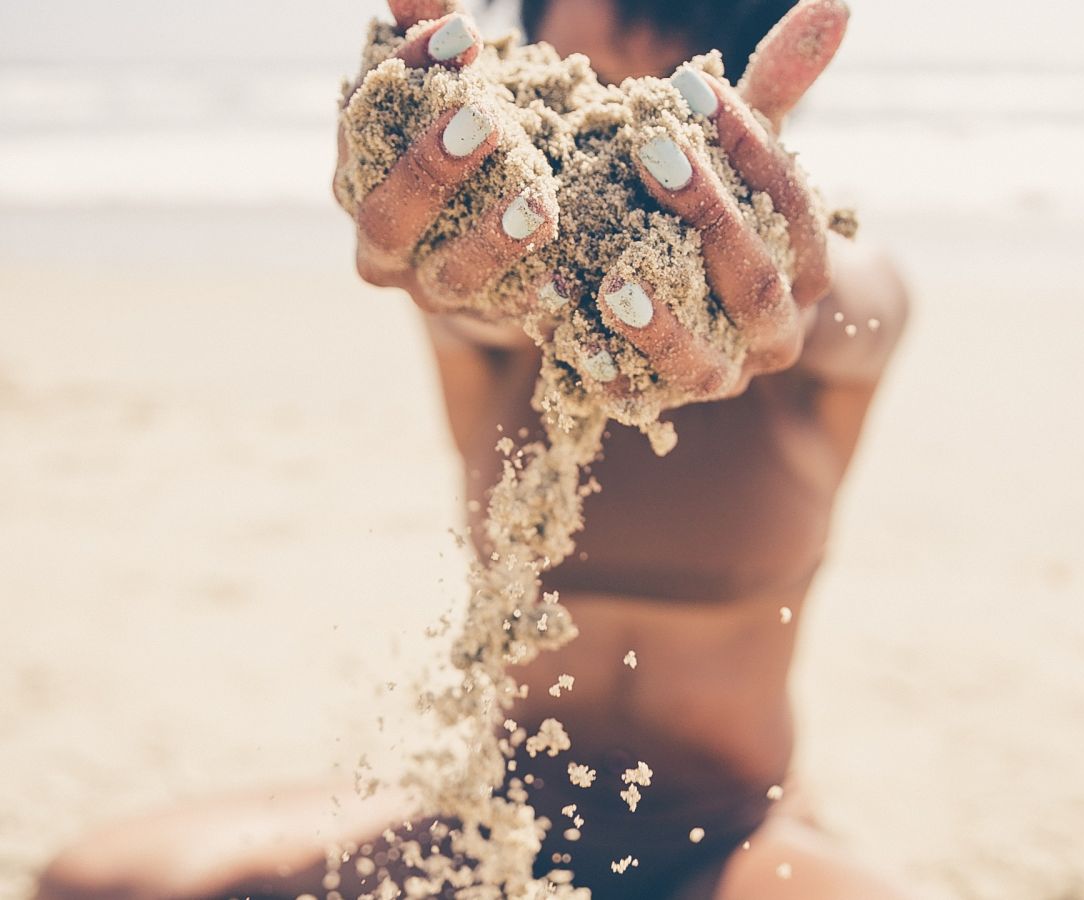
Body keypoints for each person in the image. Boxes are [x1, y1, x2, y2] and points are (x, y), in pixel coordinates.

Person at [36, 0, 911, 897]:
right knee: (94, 882)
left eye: (645, 94)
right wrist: (462, 264)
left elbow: (852, 310)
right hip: (495, 820)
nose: (601, 123)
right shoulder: (502, 294)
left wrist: (782, 282)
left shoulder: (822, 309)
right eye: (579, 86)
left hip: (728, 835)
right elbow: (471, 318)